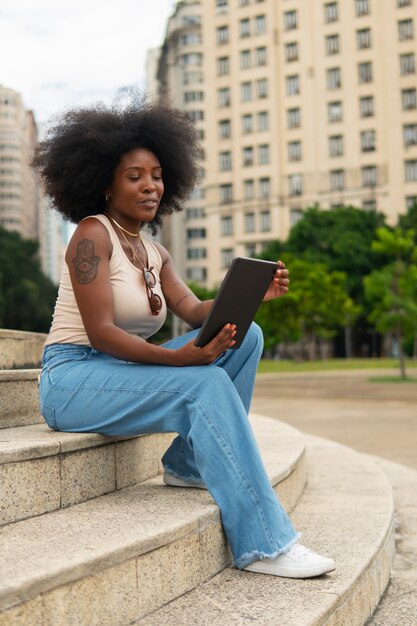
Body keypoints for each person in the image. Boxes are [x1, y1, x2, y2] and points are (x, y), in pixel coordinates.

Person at [33, 97, 335, 579]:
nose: (150, 185)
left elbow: (195, 312)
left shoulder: (154, 250)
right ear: (105, 185)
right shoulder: (92, 235)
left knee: (248, 336)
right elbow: (102, 334)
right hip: (72, 379)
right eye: (134, 176)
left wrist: (252, 295)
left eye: (156, 174)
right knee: (205, 384)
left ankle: (188, 464)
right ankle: (265, 543)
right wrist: (181, 363)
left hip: (122, 372)